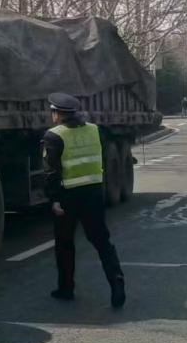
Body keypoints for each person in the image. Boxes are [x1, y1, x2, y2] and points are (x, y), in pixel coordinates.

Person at [41, 93, 126, 308]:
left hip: (68, 197)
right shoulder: (95, 130)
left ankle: (66, 288)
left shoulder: (54, 136)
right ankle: (117, 282)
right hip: (94, 194)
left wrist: (54, 200)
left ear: (57, 114)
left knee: (65, 244)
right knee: (102, 241)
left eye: (52, 112)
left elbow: (51, 172)